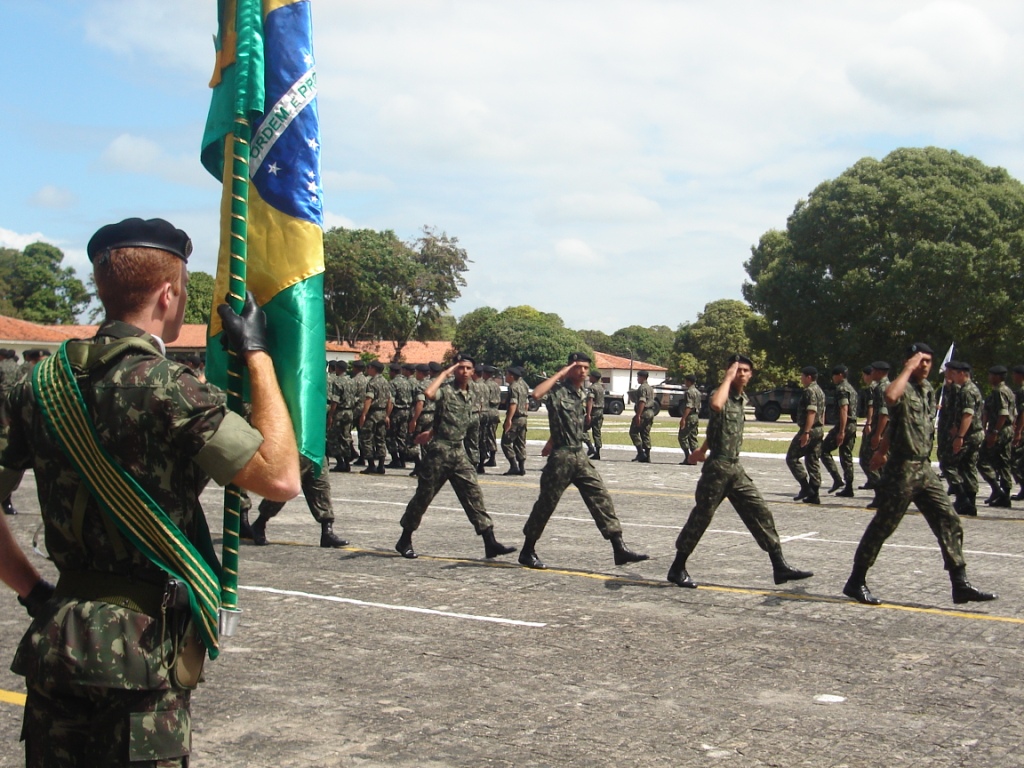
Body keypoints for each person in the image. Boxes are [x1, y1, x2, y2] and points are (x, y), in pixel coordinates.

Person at [0, 217, 300, 765]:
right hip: (140, 654)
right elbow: (280, 476)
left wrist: (35, 592)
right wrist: (257, 355)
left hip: (58, 639)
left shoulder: (36, 384)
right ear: (169, 293)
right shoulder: (172, 387)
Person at [842, 343, 996, 607]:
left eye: (929, 361)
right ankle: (856, 582)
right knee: (883, 526)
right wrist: (908, 368)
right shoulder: (903, 386)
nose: (925, 365)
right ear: (910, 362)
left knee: (950, 520)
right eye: (920, 360)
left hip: (924, 468)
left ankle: (960, 584)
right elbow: (890, 398)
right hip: (902, 471)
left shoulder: (926, 391)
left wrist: (881, 449)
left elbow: (901, 425)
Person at [667, 355, 813, 590]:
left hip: (734, 467)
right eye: (737, 370)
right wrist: (727, 376)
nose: (741, 374)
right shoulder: (722, 393)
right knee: (702, 517)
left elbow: (718, 429)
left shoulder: (741, 399)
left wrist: (701, 450)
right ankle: (677, 568)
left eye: (746, 370)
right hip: (717, 469)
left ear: (751, 374)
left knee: (760, 511)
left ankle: (779, 565)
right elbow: (715, 405)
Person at [518, 353, 649, 570]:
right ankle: (527, 550)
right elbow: (536, 394)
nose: (583, 372)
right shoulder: (558, 390)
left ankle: (619, 548)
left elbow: (569, 421)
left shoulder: (582, 393)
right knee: (546, 504)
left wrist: (550, 439)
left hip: (578, 454)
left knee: (600, 496)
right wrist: (560, 372)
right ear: (569, 368)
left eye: (586, 368)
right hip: (562, 458)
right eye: (578, 367)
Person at [395, 355, 517, 560]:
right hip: (439, 452)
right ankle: (404, 539)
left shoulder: (470, 394)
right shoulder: (447, 390)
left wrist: (431, 431)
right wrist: (444, 373)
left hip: (458, 451)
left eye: (468, 368)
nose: (465, 371)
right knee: (423, 497)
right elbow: (428, 393)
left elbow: (454, 419)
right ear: (455, 370)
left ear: (473, 371)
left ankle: (490, 542)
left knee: (473, 495)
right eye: (460, 368)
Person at [249, 455, 349, 547]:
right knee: (285, 489)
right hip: (296, 448)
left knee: (321, 487)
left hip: (315, 447)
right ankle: (260, 523)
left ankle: (327, 532)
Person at [946, 361, 983, 517]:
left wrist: (960, 436)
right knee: (968, 468)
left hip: (969, 435)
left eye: (955, 374)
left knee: (948, 464)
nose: (953, 377)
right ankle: (969, 503)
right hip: (974, 433)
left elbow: (968, 415)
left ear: (962, 374)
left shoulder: (967, 391)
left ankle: (963, 499)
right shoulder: (970, 389)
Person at [977, 365, 1016, 508]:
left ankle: (998, 490)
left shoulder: (1000, 392)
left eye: (991, 375)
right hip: (1006, 429)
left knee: (981, 459)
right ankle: (1003, 494)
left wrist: (994, 432)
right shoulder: (1008, 391)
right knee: (1002, 461)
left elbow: (1003, 413)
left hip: (1000, 430)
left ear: (998, 377)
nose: (989, 378)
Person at [786, 366, 826, 505]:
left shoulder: (809, 391)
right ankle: (814, 494)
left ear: (809, 377)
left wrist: (806, 432)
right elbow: (822, 412)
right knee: (812, 460)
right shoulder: (820, 391)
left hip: (810, 429)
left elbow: (812, 412)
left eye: (802, 376)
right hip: (819, 428)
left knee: (792, 457)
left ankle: (805, 487)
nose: (801, 379)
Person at [820, 364, 859, 497]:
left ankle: (837, 479)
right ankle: (849, 486)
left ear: (839, 375)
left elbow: (844, 409)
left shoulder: (841, 389)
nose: (833, 379)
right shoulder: (851, 389)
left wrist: (841, 431)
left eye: (834, 376)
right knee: (846, 455)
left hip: (845, 425)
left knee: (823, 450)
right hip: (853, 425)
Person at [358, 359, 392, 475]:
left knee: (366, 438)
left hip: (372, 414)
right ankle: (381, 465)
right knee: (380, 439)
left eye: (369, 367)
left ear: (373, 369)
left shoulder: (372, 383)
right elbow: (389, 400)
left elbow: (369, 399)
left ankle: (371, 465)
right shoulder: (385, 382)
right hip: (382, 413)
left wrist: (363, 414)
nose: (368, 370)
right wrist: (387, 415)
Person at [502, 366, 529, 475]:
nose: (506, 377)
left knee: (506, 442)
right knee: (520, 443)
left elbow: (513, 403)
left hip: (516, 418)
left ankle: (514, 466)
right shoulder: (524, 386)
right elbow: (526, 403)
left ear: (512, 376)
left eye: (507, 375)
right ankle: (522, 467)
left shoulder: (513, 387)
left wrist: (508, 420)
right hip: (523, 417)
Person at [629, 370, 656, 463]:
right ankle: (647, 456)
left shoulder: (642, 388)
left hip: (644, 412)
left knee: (633, 432)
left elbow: (642, 401)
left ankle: (641, 452)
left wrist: (638, 415)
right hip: (650, 412)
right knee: (645, 433)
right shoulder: (650, 388)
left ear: (643, 377)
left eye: (638, 377)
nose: (637, 379)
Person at [677, 374, 701, 464]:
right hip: (695, 416)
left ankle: (688, 457)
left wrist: (683, 418)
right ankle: (694, 458)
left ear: (689, 382)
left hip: (689, 416)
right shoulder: (698, 392)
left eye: (686, 381)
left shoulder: (689, 392)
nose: (684, 382)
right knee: (692, 437)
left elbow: (689, 406)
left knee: (682, 437)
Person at [480, 365, 502, 468]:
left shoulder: (485, 385)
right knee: (492, 434)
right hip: (495, 411)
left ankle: (487, 458)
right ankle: (492, 457)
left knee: (485, 436)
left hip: (487, 410)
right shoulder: (496, 385)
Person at [585, 369, 605, 461]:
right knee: (597, 432)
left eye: (590, 376)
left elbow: (590, 401)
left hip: (594, 411)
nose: (589, 378)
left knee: (581, 429)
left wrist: (588, 414)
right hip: (600, 411)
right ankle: (597, 452)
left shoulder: (592, 388)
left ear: (594, 378)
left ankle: (590, 448)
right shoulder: (601, 387)